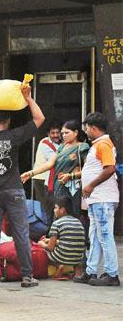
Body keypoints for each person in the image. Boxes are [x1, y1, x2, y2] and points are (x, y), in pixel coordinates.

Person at [0, 83, 45, 288]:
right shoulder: (13, 136)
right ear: (9, 119)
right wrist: (28, 97)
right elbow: (39, 119)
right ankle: (27, 276)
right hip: (13, 190)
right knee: (21, 232)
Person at [73, 112, 119, 286]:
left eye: (87, 128)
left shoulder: (103, 144)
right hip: (97, 199)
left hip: (102, 198)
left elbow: (110, 168)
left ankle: (112, 274)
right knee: (95, 235)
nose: (86, 132)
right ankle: (91, 271)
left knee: (104, 235)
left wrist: (91, 185)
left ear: (93, 128)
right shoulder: (98, 144)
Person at [22, 120, 89, 222]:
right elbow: (50, 164)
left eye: (67, 133)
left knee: (73, 214)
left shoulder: (82, 147)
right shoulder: (62, 147)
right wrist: (31, 173)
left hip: (73, 188)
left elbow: (88, 170)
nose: (63, 135)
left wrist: (71, 176)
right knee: (58, 214)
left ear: (76, 133)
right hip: (59, 186)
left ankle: (73, 237)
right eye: (62, 133)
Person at [38, 196, 86, 281]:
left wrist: (41, 244)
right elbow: (69, 241)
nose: (54, 210)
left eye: (56, 208)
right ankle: (77, 271)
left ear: (62, 210)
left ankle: (59, 266)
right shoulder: (78, 221)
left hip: (62, 257)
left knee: (42, 252)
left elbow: (50, 247)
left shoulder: (57, 223)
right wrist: (50, 240)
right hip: (78, 258)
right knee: (71, 248)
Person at [30, 121, 62, 223]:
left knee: (52, 207)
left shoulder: (59, 144)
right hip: (41, 179)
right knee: (45, 207)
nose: (56, 135)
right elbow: (55, 160)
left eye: (58, 132)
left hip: (51, 180)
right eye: (53, 133)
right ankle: (45, 232)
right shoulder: (45, 143)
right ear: (48, 134)